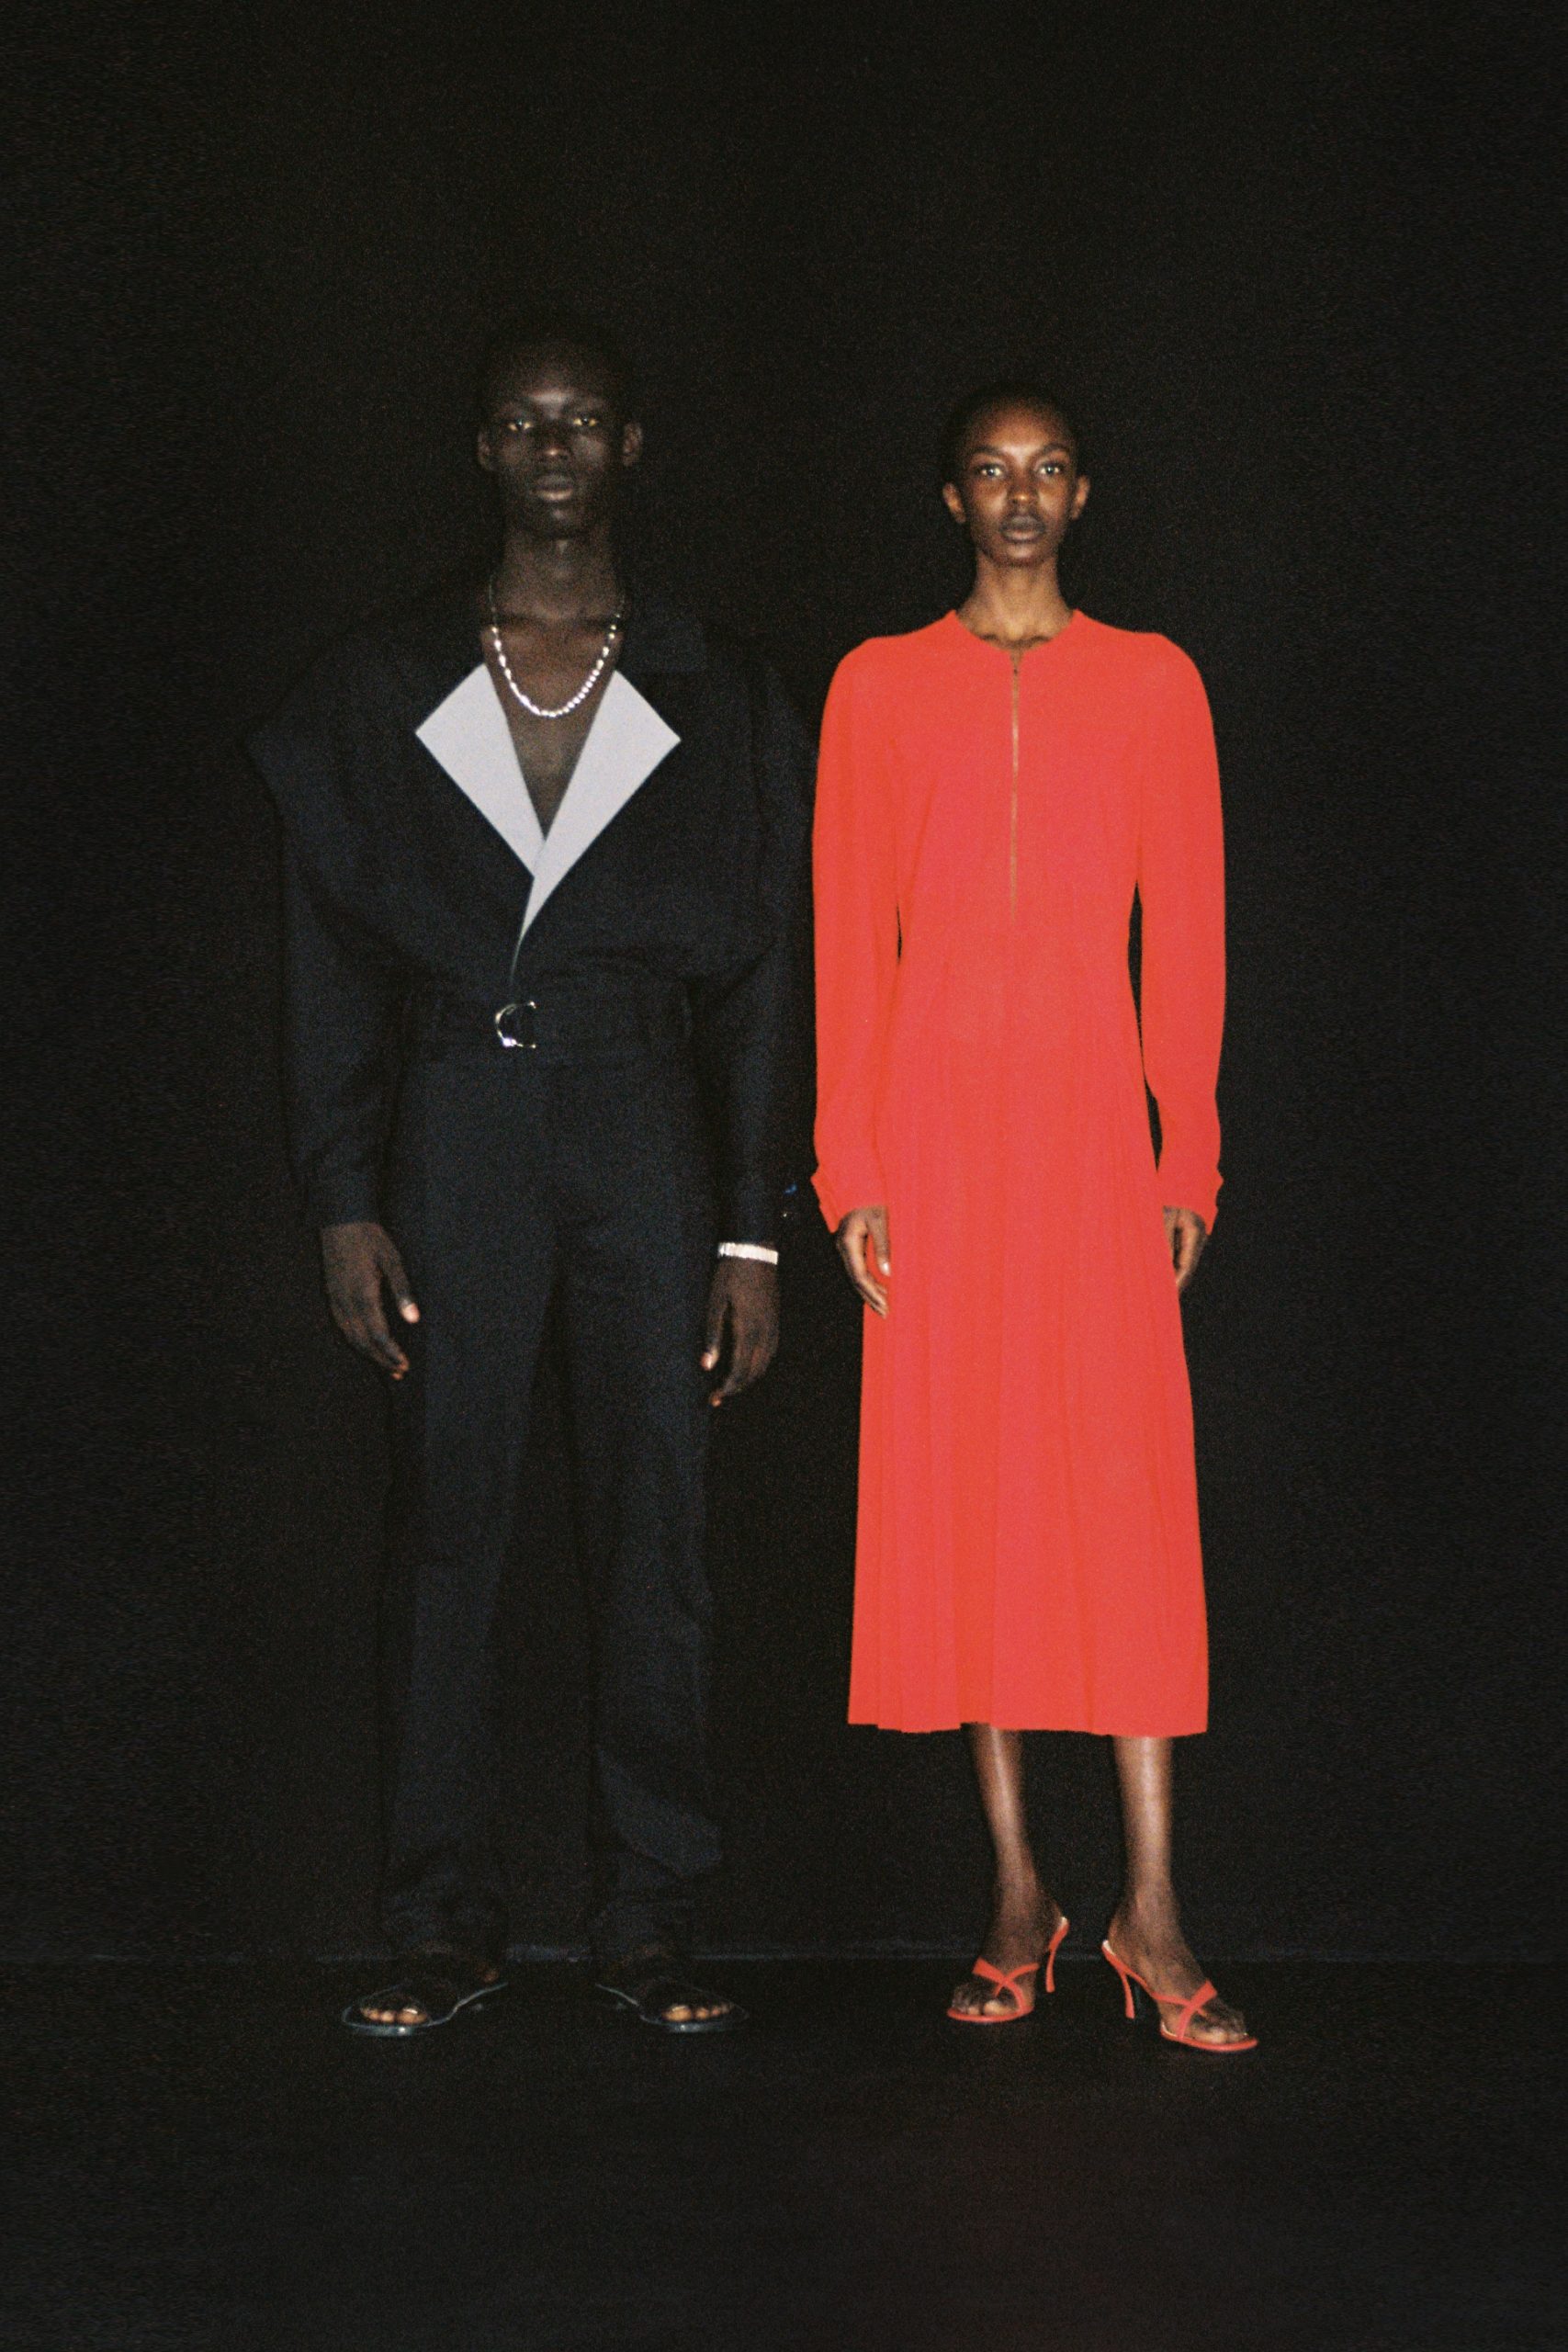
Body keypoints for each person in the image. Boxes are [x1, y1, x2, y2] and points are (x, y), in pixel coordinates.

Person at [249, 313, 810, 2036]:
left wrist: (751, 1228)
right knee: (449, 1527)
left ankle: (651, 1915)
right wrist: (344, 1192)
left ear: (630, 448)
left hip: (643, 1127)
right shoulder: (380, 679)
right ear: (484, 449)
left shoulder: (720, 681)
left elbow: (765, 977)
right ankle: (441, 1921)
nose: (556, 448)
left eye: (585, 422)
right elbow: (328, 958)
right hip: (455, 1125)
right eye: (524, 422)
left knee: (659, 1530)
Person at [811, 381, 1254, 2052]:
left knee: (1126, 1503)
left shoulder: (1153, 683)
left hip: (1087, 1140)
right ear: (951, 498)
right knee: (969, 1500)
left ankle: (1154, 1908)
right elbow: (849, 933)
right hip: (933, 1144)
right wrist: (850, 1165)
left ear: (1083, 495)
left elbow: (1188, 933)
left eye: (1048, 468)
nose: (1018, 494)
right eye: (990, 471)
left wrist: (1185, 1155)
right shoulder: (876, 686)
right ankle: (1016, 1896)